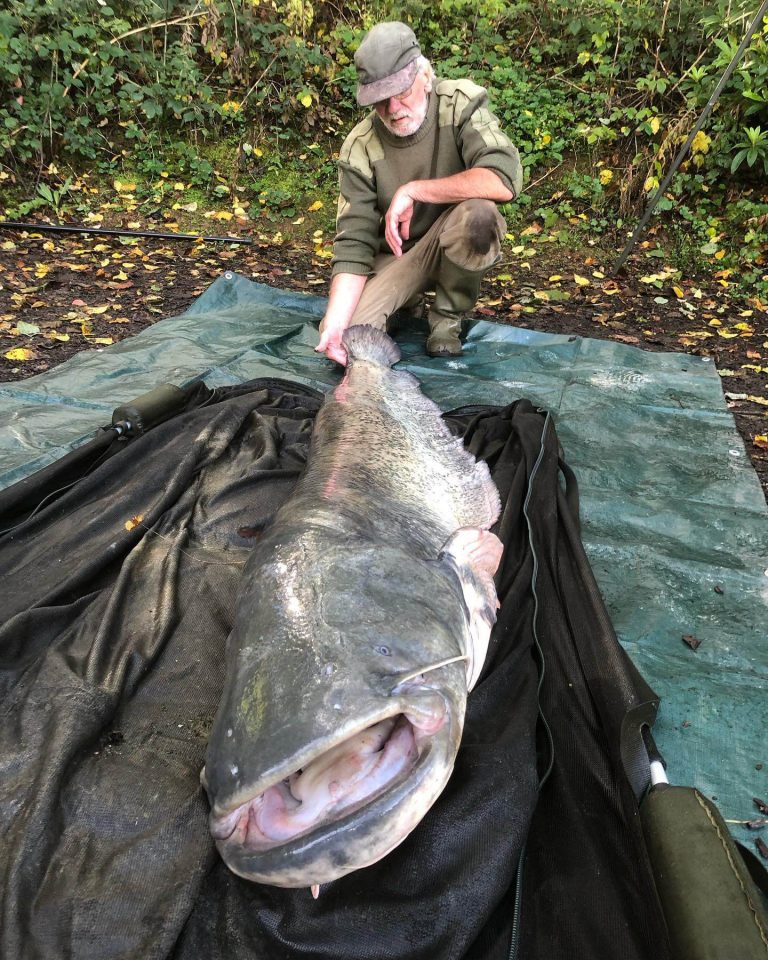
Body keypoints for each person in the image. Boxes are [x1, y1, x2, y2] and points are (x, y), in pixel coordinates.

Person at [315, 21, 523, 364]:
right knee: (352, 343)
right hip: (397, 257)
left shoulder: (460, 104)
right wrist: (335, 323)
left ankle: (447, 317)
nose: (393, 109)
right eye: (381, 100)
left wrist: (415, 191)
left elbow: (503, 179)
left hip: (452, 236)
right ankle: (405, 304)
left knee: (480, 217)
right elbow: (353, 242)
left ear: (425, 75)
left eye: (401, 92)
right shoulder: (359, 146)